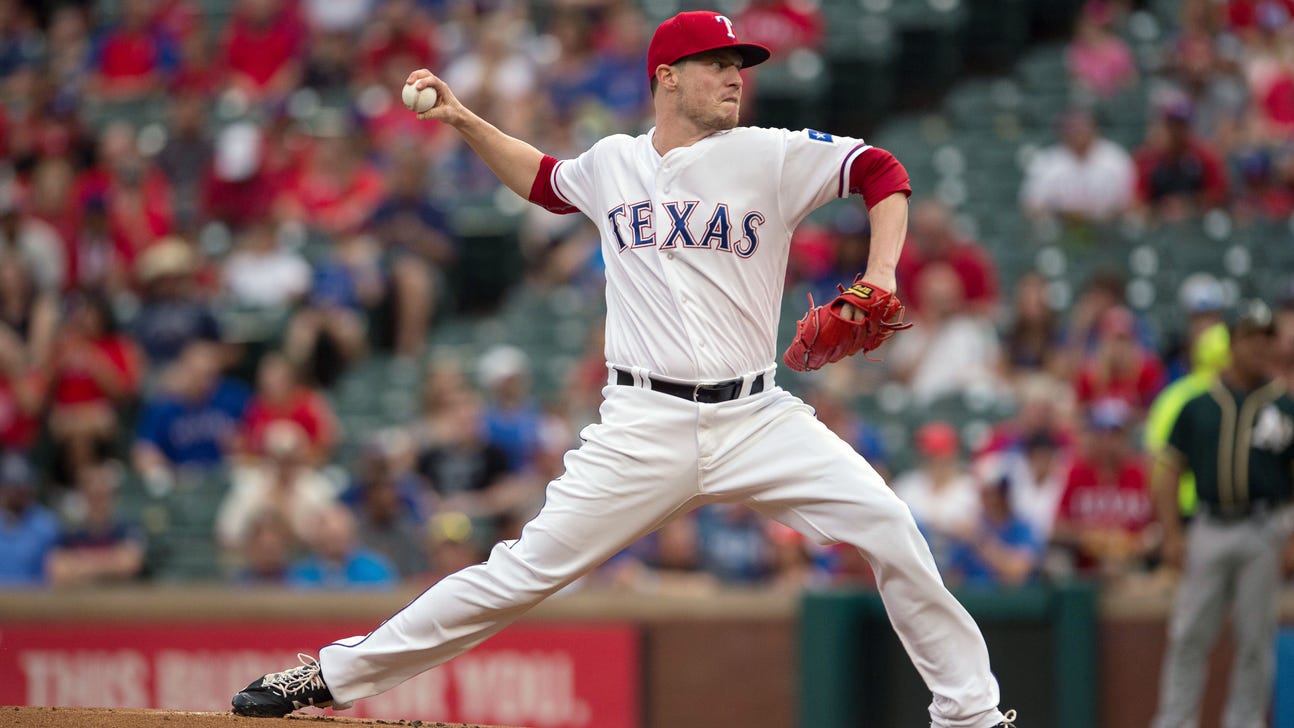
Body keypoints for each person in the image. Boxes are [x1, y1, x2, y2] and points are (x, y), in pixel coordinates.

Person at [231, 13, 1015, 728]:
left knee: (889, 528)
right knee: (518, 575)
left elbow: (881, 169)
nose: (735, 75)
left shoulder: (768, 154)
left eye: (739, 63)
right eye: (715, 63)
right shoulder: (613, 162)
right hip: (643, 427)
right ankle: (328, 677)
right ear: (667, 78)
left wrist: (881, 272)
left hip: (757, 416)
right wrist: (465, 119)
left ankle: (970, 715)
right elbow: (543, 181)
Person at [1151, 300, 1294, 728]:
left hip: (1264, 526)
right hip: (1209, 525)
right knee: (1189, 634)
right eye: (1249, 336)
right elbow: (1168, 471)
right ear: (1232, 343)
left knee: (1255, 640)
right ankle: (1175, 721)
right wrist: (1172, 532)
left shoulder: (1284, 406)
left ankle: (1245, 723)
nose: (1258, 347)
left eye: (1265, 337)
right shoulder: (1199, 404)